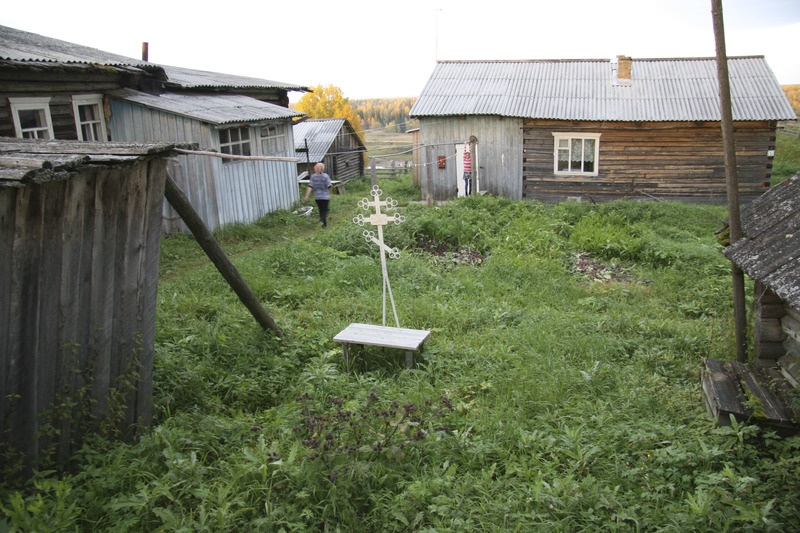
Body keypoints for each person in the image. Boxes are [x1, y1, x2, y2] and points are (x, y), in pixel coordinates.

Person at [304, 162, 332, 227]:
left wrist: (307, 196)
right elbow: (329, 186)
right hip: (325, 196)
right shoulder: (325, 176)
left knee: (321, 210)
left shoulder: (313, 176)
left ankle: (324, 225)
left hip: (317, 197)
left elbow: (310, 186)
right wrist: (330, 193)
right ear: (323, 169)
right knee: (325, 210)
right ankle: (322, 220)